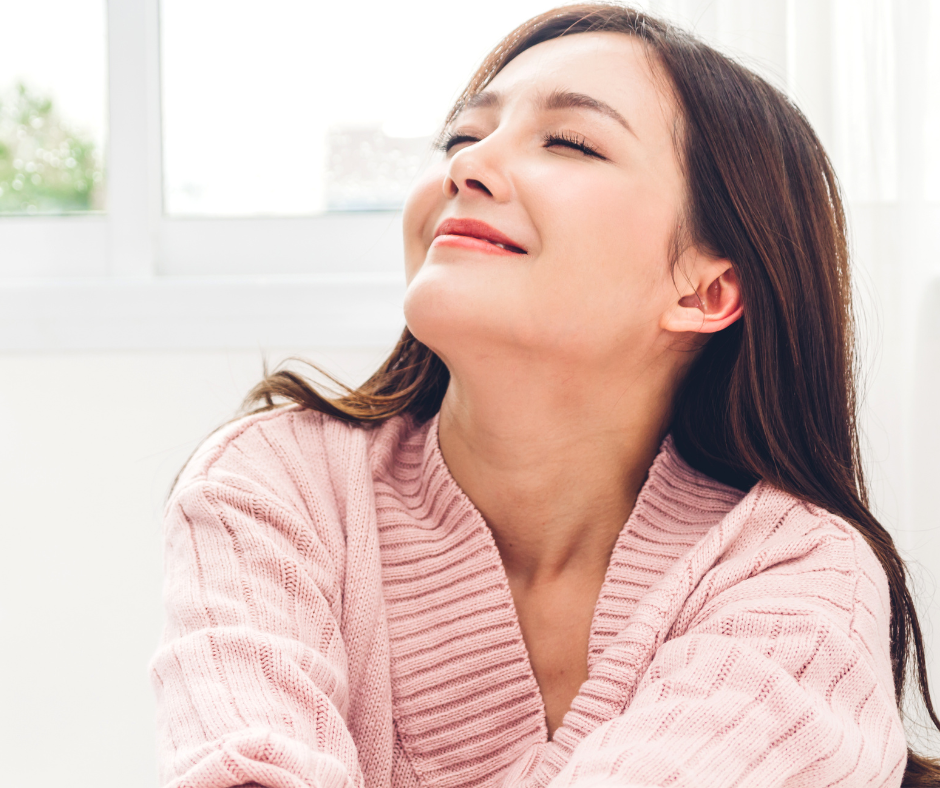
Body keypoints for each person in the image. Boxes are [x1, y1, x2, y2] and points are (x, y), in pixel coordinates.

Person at [149, 4, 940, 787]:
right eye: (463, 137)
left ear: (706, 292)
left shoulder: (798, 570)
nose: (466, 165)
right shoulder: (279, 483)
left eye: (570, 141)